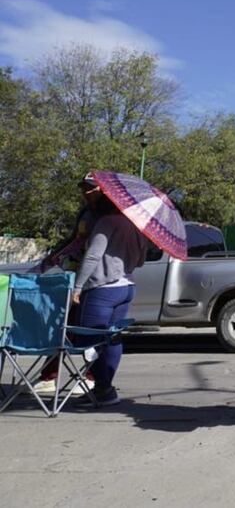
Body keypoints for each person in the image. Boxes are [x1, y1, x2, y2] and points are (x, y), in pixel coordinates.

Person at [73, 188, 148, 407]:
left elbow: (94, 255)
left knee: (88, 338)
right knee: (113, 337)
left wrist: (78, 286)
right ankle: (103, 388)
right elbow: (141, 261)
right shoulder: (137, 227)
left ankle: (104, 389)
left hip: (102, 287)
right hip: (126, 286)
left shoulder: (106, 222)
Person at [34, 174, 103, 396]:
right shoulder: (85, 212)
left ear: (101, 190)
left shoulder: (108, 215)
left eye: (90, 189)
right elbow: (75, 238)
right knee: (63, 325)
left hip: (96, 280)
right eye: (84, 188)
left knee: (89, 330)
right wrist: (55, 255)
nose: (86, 192)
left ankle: (91, 377)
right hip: (74, 276)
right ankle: (49, 375)